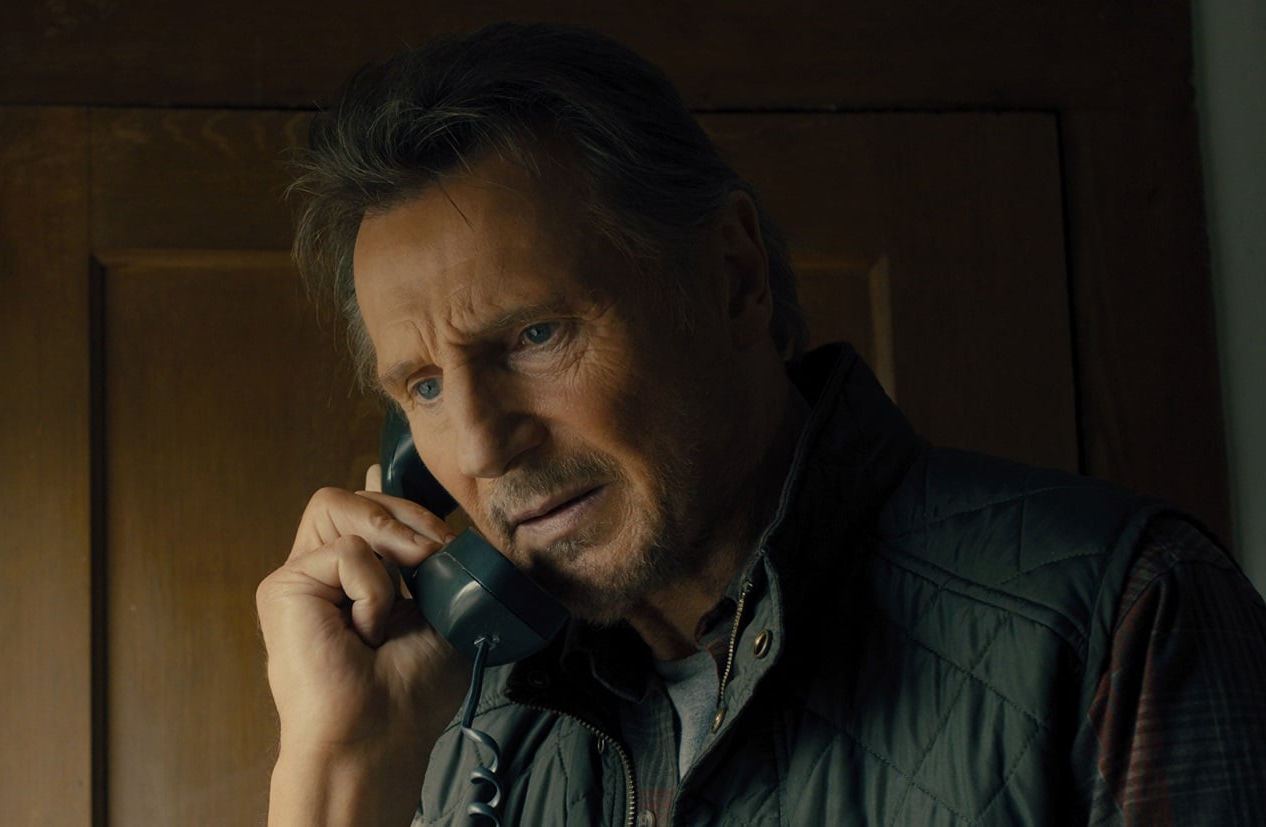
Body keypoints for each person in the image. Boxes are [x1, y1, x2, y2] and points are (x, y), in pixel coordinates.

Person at [255, 21, 1266, 826]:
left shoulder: (1119, 616)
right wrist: (340, 770)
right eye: (424, 386)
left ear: (732, 277)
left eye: (534, 334)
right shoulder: (470, 724)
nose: (480, 448)